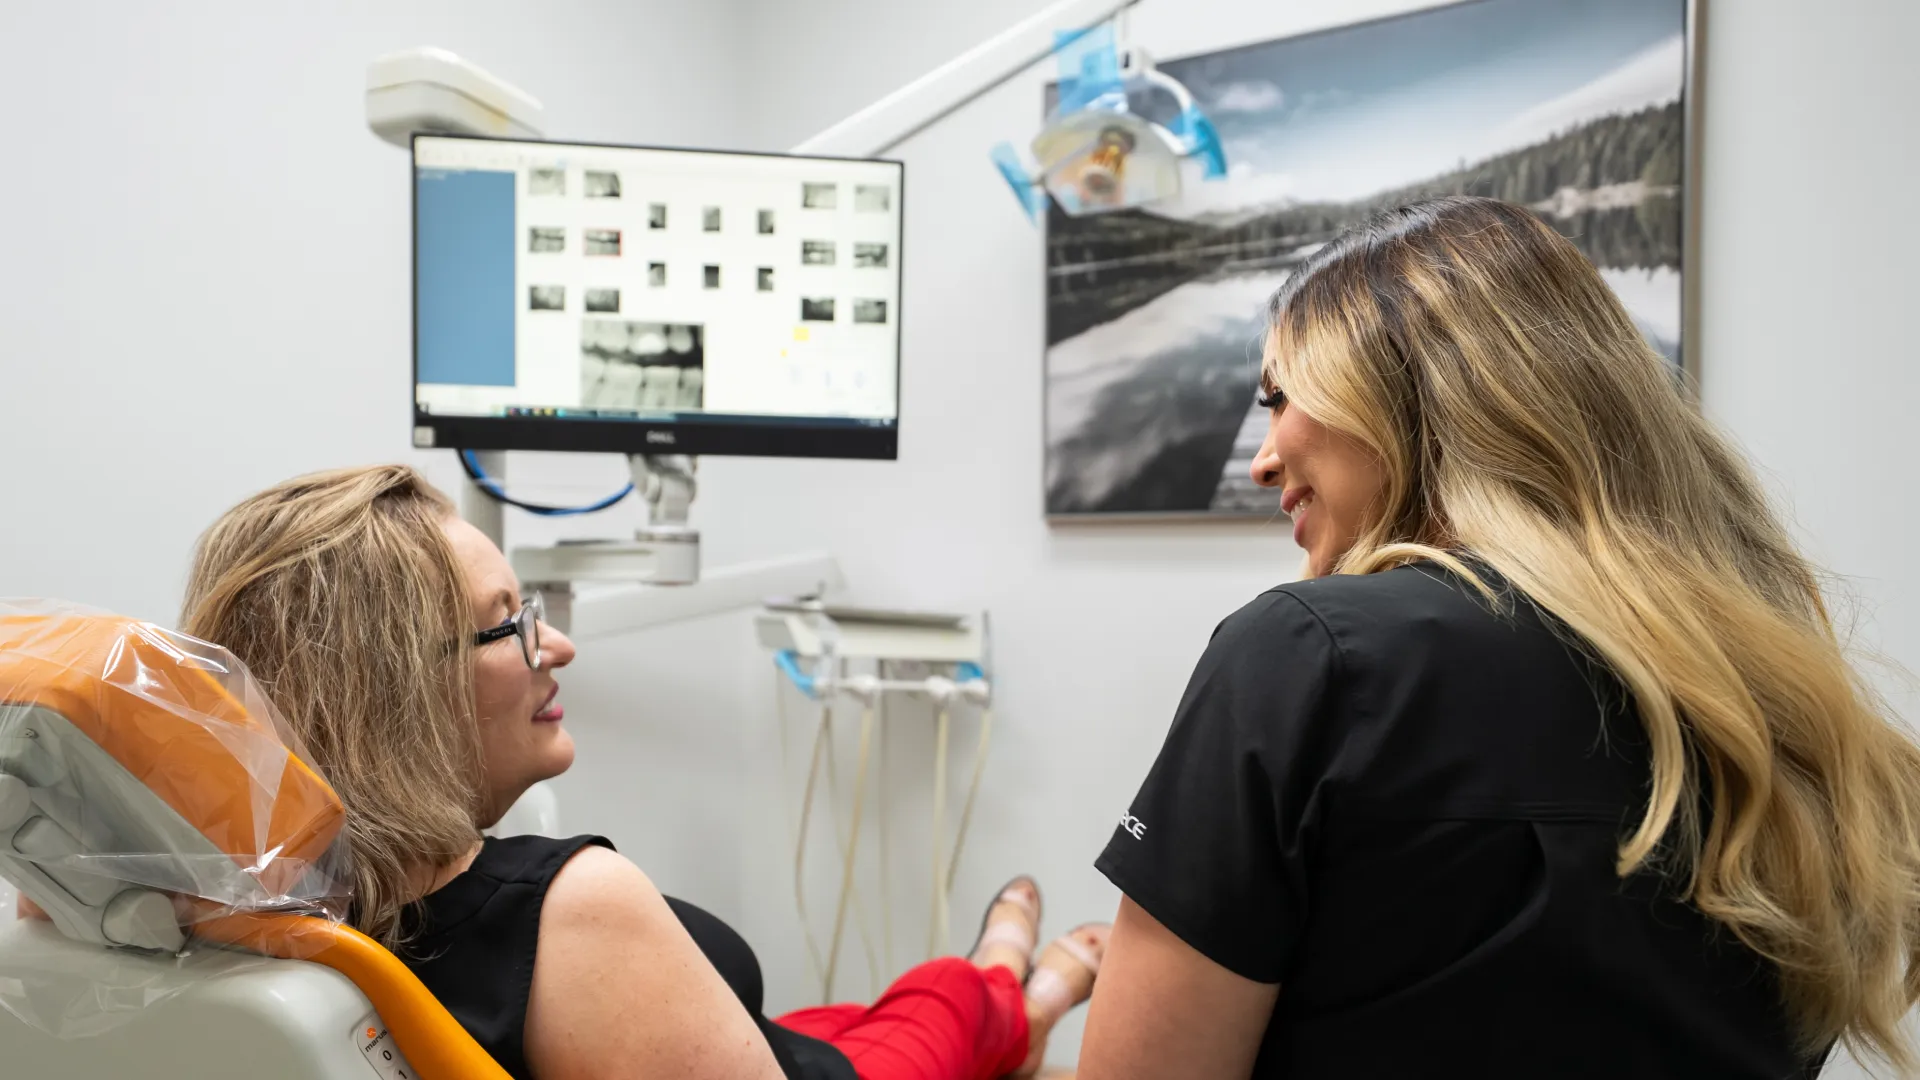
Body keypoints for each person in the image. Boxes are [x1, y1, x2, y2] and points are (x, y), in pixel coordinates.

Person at [1079, 196, 1920, 1080]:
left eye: (1281, 397)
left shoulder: (1309, 657)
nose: (1261, 459)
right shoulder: (1771, 701)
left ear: (1403, 398)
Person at [174, 465, 1110, 1080]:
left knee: (849, 1015)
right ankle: (1015, 988)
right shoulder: (571, 910)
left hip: (767, 1044)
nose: (561, 647)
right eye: (511, 627)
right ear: (396, 692)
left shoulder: (207, 904)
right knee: (942, 1016)